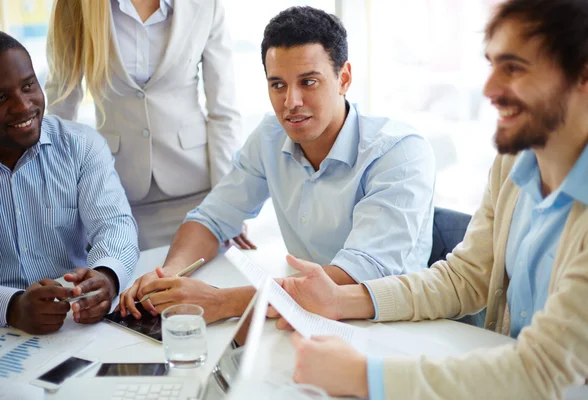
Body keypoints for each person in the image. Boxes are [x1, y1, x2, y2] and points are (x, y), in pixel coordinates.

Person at [275, 0, 588, 398]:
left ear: (587, 74)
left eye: (514, 68)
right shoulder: (515, 162)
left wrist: (364, 377)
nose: (490, 89)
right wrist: (341, 300)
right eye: (492, 64)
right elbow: (465, 277)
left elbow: (542, 371)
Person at [118, 6, 436, 324]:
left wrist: (219, 301)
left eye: (308, 82)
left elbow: (355, 278)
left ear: (344, 78)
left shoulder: (399, 154)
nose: (291, 102)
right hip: (301, 317)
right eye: (278, 85)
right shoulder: (270, 137)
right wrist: (170, 277)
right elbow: (211, 220)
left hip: (387, 326)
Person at [45, 0, 250, 250]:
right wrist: (63, 201)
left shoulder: (205, 5)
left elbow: (223, 111)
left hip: (199, 195)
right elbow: (61, 111)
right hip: (118, 198)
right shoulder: (77, 5)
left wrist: (227, 204)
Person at [0, 32, 139, 335]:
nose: (24, 106)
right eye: (1, 97)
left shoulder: (81, 146)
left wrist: (105, 277)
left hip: (76, 326)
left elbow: (115, 224)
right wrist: (11, 307)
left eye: (28, 86)